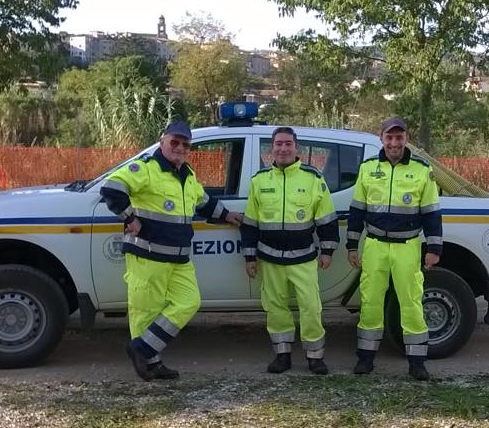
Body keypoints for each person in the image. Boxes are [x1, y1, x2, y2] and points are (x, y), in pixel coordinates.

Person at [100, 121, 242, 381]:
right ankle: (152, 364)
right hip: (148, 254)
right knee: (146, 310)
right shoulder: (146, 168)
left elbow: (203, 202)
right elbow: (112, 188)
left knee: (189, 301)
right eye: (174, 142)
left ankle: (142, 349)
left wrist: (227, 215)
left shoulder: (188, 175)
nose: (180, 147)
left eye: (185, 144)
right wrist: (130, 218)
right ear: (162, 141)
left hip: (179, 256)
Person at [346, 117, 442, 380]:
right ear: (382, 139)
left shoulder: (422, 170)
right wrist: (352, 245)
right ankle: (365, 359)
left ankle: (417, 362)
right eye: (389, 137)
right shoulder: (368, 168)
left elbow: (431, 213)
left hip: (407, 246)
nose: (394, 143)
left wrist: (434, 248)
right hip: (375, 245)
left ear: (406, 139)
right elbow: (357, 211)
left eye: (399, 137)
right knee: (370, 302)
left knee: (410, 303)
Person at [240, 127, 339, 374]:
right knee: (275, 307)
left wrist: (327, 250)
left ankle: (315, 357)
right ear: (271, 148)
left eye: (288, 144)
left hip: (303, 257)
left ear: (297, 148)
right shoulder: (259, 180)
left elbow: (327, 218)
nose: (283, 148)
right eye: (278, 144)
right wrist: (250, 257)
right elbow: (250, 223)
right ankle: (282, 355)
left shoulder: (312, 178)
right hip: (270, 257)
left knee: (311, 307)